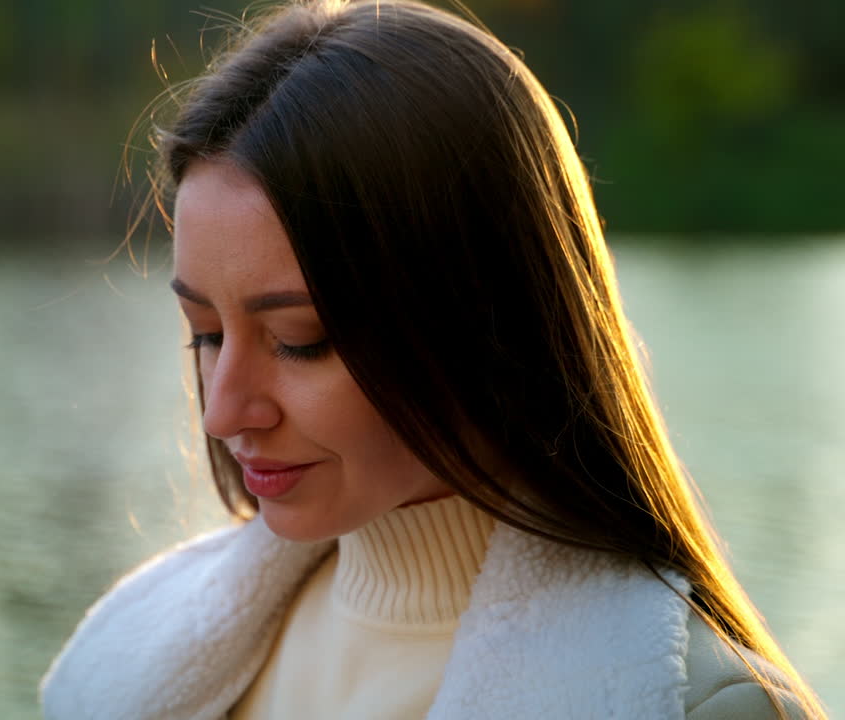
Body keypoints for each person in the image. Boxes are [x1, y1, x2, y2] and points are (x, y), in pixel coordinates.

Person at [40, 1, 826, 718]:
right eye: (205, 333)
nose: (222, 411)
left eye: (299, 340)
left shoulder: (707, 707)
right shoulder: (125, 668)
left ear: (482, 318)